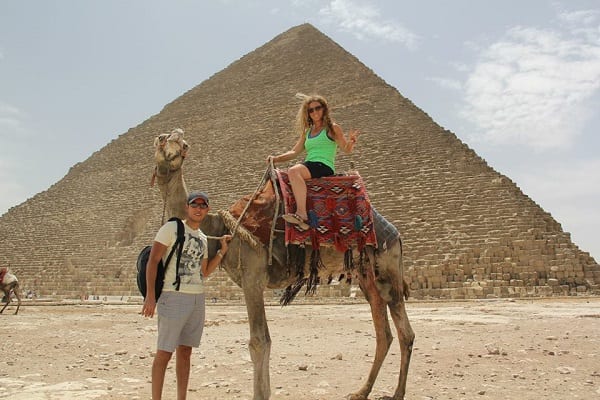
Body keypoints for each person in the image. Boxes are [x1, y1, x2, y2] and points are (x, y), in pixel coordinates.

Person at [141, 191, 231, 400]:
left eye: (203, 206)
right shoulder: (172, 228)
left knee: (185, 352)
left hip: (197, 298)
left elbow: (205, 272)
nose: (198, 209)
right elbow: (153, 260)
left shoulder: (202, 238)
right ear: (187, 207)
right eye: (194, 205)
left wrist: (222, 251)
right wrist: (150, 296)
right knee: (164, 352)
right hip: (173, 296)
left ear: (207, 210)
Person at [267, 94, 360, 229]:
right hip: (310, 165)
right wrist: (275, 159)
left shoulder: (332, 128)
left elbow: (346, 149)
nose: (314, 112)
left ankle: (302, 214)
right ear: (308, 113)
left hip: (324, 166)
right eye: (311, 110)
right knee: (285, 177)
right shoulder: (307, 132)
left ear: (324, 109)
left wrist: (351, 142)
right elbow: (294, 152)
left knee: (294, 171)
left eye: (317, 108)